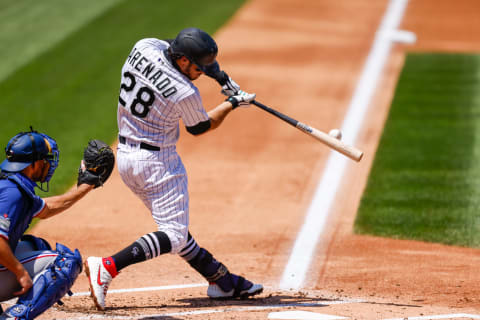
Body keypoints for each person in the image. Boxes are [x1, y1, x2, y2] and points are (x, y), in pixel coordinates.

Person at [84, 27, 263, 310]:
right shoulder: (185, 92)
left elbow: (171, 44)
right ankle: (107, 266)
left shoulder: (143, 46)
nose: (202, 72)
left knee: (175, 230)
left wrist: (220, 76)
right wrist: (233, 102)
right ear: (182, 61)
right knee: (175, 234)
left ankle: (222, 281)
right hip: (158, 164)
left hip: (127, 158)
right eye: (199, 67)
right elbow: (201, 127)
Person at [0, 129, 110, 319]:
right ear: (34, 164)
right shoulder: (13, 194)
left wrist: (87, 185)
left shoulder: (11, 184)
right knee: (65, 263)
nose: (49, 164)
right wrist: (21, 274)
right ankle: (14, 317)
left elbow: (48, 207)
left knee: (36, 246)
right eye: (45, 159)